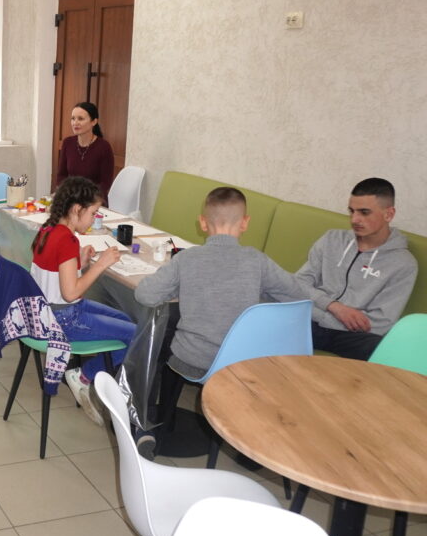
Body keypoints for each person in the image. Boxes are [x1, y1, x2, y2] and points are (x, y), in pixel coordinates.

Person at [135, 187, 307, 378]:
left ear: (202, 222)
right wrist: (260, 295)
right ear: (245, 223)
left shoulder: (186, 258)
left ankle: (156, 394)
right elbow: (297, 295)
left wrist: (178, 288)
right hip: (239, 364)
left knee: (163, 327)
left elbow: (144, 295)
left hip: (190, 362)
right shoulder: (257, 260)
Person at [31, 176, 137, 424]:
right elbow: (70, 293)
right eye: (93, 213)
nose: (94, 219)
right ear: (77, 209)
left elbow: (56, 278)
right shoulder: (67, 239)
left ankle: (102, 380)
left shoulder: (48, 229)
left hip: (48, 311)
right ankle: (85, 376)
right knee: (137, 336)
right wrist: (100, 265)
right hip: (63, 318)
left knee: (126, 320)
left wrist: (81, 261)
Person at [295, 178, 418, 360]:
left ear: (389, 214)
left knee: (387, 352)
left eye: (364, 212)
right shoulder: (331, 239)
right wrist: (334, 307)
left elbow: (381, 322)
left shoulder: (403, 263)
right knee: (266, 309)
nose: (354, 219)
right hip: (308, 320)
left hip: (350, 336)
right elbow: (298, 283)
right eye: (351, 211)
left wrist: (328, 318)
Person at [54, 102, 115, 199]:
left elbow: (105, 183)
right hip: (70, 198)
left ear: (94, 122)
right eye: (73, 118)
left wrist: (83, 197)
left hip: (93, 200)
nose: (75, 123)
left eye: (80, 119)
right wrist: (66, 193)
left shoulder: (104, 147)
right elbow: (61, 175)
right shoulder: (67, 143)